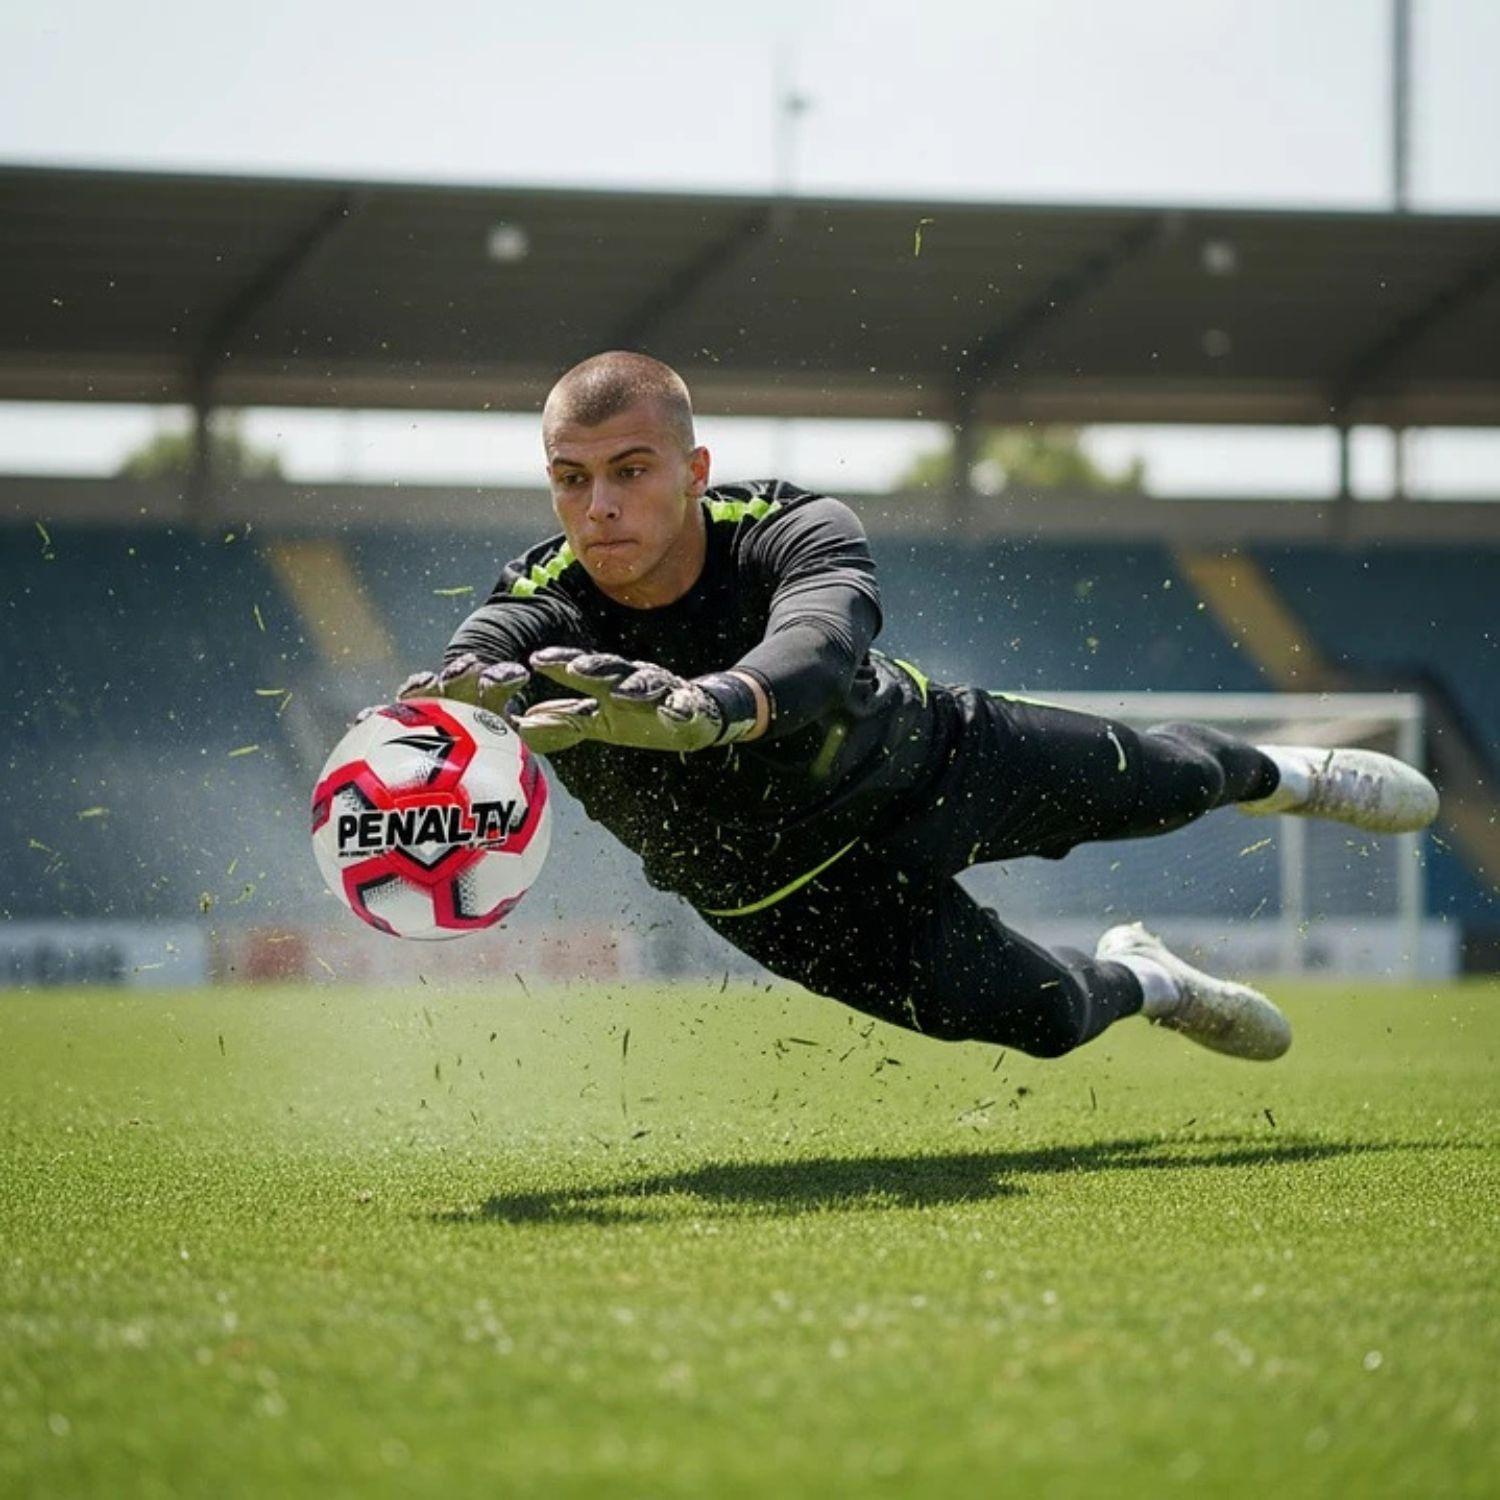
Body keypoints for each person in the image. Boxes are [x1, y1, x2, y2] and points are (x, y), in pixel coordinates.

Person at [396, 351, 1439, 1062]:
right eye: (570, 480)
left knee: (1173, 779)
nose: (600, 507)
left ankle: (1294, 775)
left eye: (629, 471)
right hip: (790, 899)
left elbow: (819, 641)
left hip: (929, 763)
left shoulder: (790, 525)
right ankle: (1153, 980)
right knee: (1047, 1020)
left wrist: (712, 705)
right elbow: (481, 653)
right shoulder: (538, 607)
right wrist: (444, 711)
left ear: (694, 470)